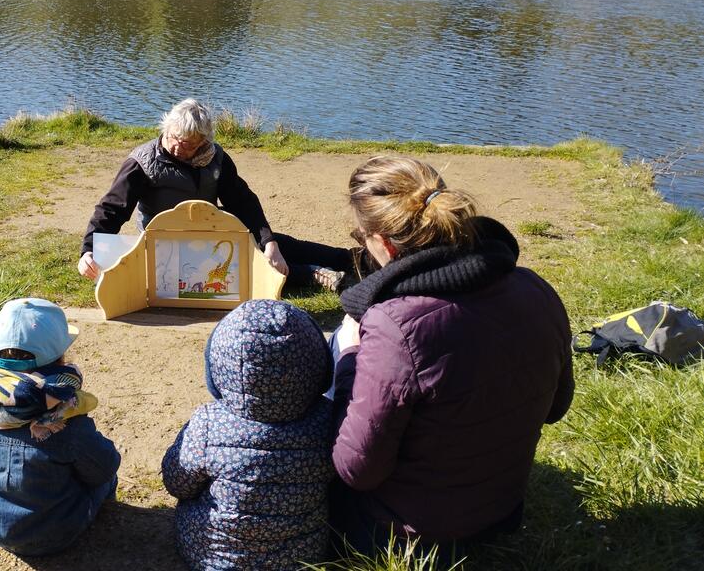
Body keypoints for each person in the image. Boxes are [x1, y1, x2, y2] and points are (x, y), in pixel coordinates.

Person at [329, 156, 574, 556]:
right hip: (502, 509)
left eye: (362, 238)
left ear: (385, 243)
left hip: (410, 538)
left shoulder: (396, 324)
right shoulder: (534, 287)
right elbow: (556, 408)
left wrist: (349, 356)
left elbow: (356, 470)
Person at [78, 99, 352, 290]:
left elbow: (242, 201)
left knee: (275, 244)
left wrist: (268, 242)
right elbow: (111, 209)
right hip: (165, 244)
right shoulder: (142, 162)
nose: (176, 146)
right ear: (167, 128)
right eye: (173, 137)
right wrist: (88, 251)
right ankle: (313, 275)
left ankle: (351, 259)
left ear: (202, 141)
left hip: (209, 230)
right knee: (235, 265)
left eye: (186, 144)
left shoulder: (216, 158)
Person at [162, 300, 335, 570]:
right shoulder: (328, 420)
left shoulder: (209, 422)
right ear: (318, 363)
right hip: (303, 557)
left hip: (213, 555)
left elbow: (177, 482)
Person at [0, 298, 120, 557]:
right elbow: (104, 468)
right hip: (57, 532)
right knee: (107, 476)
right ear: (60, 361)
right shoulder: (64, 423)